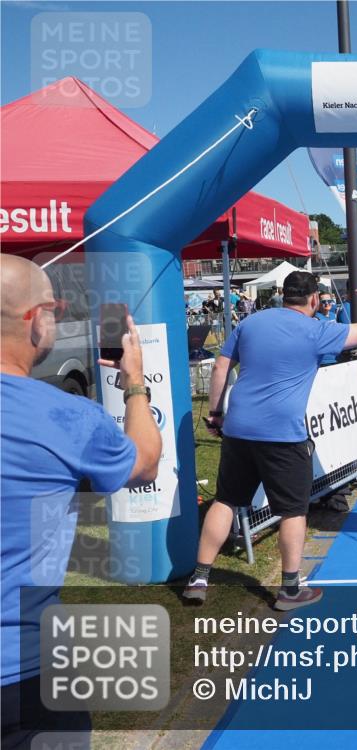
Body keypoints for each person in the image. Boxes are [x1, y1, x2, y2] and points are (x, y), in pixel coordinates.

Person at [1, 256, 161, 748]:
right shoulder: (67, 417)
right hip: (26, 665)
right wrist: (134, 382)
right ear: (35, 321)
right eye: (54, 307)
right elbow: (145, 462)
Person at [183, 271, 357, 610]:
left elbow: (220, 368)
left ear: (282, 295)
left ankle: (200, 577)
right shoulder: (317, 329)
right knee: (293, 510)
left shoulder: (251, 323)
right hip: (282, 434)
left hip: (239, 426)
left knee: (227, 500)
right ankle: (290, 589)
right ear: (314, 300)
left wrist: (216, 414)